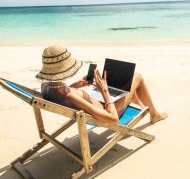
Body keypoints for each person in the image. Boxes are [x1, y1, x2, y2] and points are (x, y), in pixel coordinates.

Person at [36, 45, 167, 125]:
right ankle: (154, 114)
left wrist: (77, 85)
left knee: (124, 88)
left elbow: (63, 94)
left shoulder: (46, 86)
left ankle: (135, 101)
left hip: (97, 100)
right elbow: (113, 119)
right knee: (137, 77)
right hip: (108, 108)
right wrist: (104, 91)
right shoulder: (70, 96)